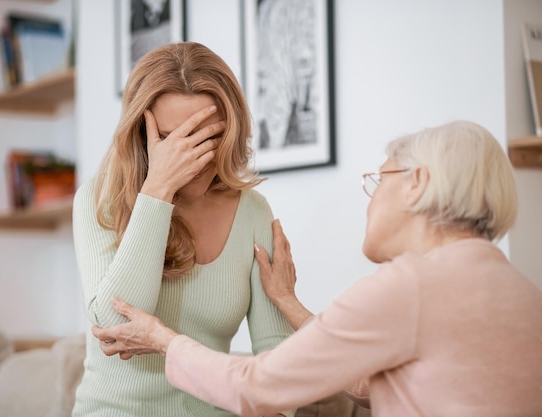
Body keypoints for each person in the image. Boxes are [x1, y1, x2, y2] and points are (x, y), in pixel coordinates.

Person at [91, 120, 542, 417]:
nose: (370, 201)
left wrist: (163, 340)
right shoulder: (523, 293)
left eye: (378, 180)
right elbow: (369, 382)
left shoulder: (410, 288)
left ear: (417, 183)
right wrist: (286, 301)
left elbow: (257, 387)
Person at [71, 41, 295, 417]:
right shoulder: (99, 198)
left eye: (209, 137)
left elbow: (276, 362)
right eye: (176, 139)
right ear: (142, 135)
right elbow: (117, 325)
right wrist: (158, 189)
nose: (194, 157)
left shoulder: (252, 212)